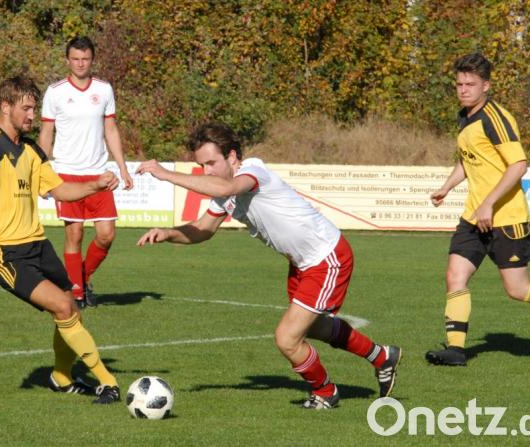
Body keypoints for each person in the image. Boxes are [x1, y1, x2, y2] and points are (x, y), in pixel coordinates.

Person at [135, 122, 401, 410]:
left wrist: (164, 173)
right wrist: (168, 233)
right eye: (201, 166)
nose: (206, 171)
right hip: (301, 263)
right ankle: (381, 356)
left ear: (233, 157)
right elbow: (204, 228)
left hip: (326, 257)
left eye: (211, 163)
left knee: (287, 338)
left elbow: (226, 185)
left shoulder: (253, 171)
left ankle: (325, 393)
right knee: (314, 328)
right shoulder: (224, 194)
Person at [0, 75, 121, 404]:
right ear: (5, 107)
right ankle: (108, 383)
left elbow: (59, 190)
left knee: (71, 311)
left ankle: (61, 378)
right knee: (65, 306)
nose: (31, 116)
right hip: (7, 254)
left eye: (34, 109)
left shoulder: (31, 149)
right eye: (25, 109)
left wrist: (95, 185)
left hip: (38, 245)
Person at [425, 53, 530, 366]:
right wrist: (447, 186)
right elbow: (468, 159)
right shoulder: (464, 116)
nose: (463, 90)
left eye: (470, 84)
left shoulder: (495, 118)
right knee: (455, 275)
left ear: (486, 86)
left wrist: (489, 203)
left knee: (518, 289)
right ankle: (456, 350)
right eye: (459, 84)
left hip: (507, 219)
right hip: (473, 218)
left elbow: (519, 165)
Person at [39, 36, 134, 308]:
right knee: (75, 235)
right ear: (67, 60)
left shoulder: (104, 90)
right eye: (76, 59)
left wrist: (123, 167)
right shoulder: (55, 92)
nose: (80, 63)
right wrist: (42, 171)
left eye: (85, 59)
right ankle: (77, 293)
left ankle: (80, 277)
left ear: (92, 60)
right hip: (67, 173)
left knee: (106, 234)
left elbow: (111, 129)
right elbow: (46, 134)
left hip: (99, 175)